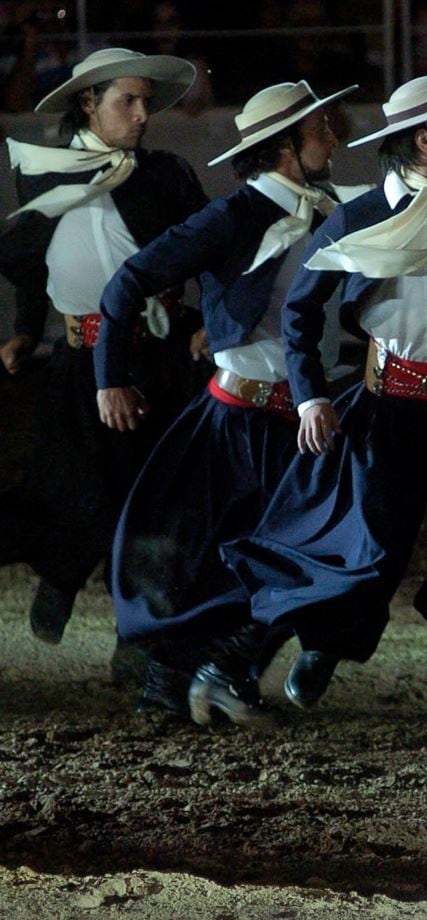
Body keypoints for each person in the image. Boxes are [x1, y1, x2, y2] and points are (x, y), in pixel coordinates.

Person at [221, 75, 427, 764]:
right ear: (422, 140)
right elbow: (300, 311)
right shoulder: (357, 219)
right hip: (389, 412)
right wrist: (312, 393)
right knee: (362, 552)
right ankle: (320, 646)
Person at [95, 80, 357, 725]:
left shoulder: (332, 212)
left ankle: (222, 670)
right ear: (287, 147)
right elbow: (126, 283)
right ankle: (178, 682)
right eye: (320, 130)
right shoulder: (233, 217)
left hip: (303, 419)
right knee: (208, 551)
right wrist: (110, 377)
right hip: (237, 416)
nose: (333, 138)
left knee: (303, 551)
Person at [0, 48, 206, 653]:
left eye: (146, 102)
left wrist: (210, 323)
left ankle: (134, 642)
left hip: (155, 360)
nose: (142, 114)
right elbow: (35, 254)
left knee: (149, 499)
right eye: (128, 101)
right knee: (77, 488)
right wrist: (26, 328)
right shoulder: (44, 170)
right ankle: (62, 575)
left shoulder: (167, 175)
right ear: (88, 103)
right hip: (75, 360)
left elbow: (213, 251)